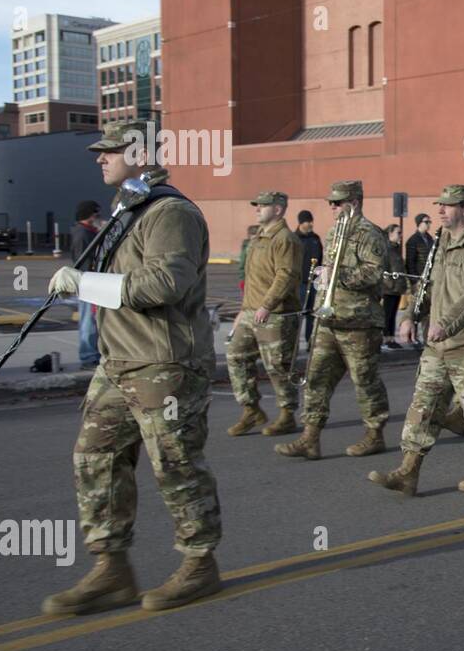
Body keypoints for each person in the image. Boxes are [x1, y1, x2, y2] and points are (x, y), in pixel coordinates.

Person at [41, 120, 222, 614]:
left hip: (163, 364)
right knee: (93, 458)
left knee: (175, 464)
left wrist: (85, 285)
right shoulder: (129, 208)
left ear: (141, 152)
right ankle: (111, 567)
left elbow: (166, 283)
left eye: (111, 150)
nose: (100, 158)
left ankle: (199, 562)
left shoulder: (170, 211)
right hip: (118, 360)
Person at [369, 185, 464, 494]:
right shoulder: (441, 242)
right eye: (439, 205)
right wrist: (410, 316)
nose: (441, 210)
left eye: (449, 205)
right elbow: (429, 284)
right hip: (437, 346)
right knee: (423, 406)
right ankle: (409, 470)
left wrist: (447, 323)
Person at [276, 180, 390, 460]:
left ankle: (375, 434)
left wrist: (338, 276)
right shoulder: (334, 232)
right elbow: (327, 271)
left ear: (354, 203)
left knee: (365, 381)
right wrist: (321, 287)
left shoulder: (369, 234)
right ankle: (310, 438)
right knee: (316, 379)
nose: (332, 207)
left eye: (338, 202)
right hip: (329, 319)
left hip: (359, 322)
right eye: (331, 202)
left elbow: (375, 274)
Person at [225, 191, 303, 437]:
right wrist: (243, 310)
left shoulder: (285, 239)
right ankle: (251, 409)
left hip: (276, 314)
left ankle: (287, 414)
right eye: (256, 205)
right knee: (236, 356)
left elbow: (286, 276)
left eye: (263, 205)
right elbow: (252, 280)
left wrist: (266, 305)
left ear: (278, 209)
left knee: (278, 366)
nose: (257, 209)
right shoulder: (258, 238)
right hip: (250, 312)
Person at [70, 200, 103, 368]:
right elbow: (83, 260)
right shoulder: (83, 234)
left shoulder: (89, 232)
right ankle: (88, 355)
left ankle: (92, 353)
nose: (98, 217)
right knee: (88, 320)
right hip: (88, 281)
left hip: (91, 280)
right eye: (96, 214)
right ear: (89, 215)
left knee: (92, 319)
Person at [404, 212, 434, 351]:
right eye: (426, 222)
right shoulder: (413, 240)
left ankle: (427, 338)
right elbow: (410, 262)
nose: (429, 224)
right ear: (419, 223)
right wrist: (414, 281)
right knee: (415, 308)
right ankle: (413, 336)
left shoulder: (430, 239)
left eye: (429, 222)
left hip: (430, 280)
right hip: (418, 280)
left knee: (427, 311)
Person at [295, 209, 322, 346]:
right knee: (298, 314)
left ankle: (310, 342)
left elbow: (321, 260)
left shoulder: (315, 239)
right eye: (308, 221)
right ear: (301, 223)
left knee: (312, 313)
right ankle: (294, 343)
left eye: (311, 221)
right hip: (299, 283)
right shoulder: (294, 239)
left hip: (314, 283)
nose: (311, 224)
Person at [382, 223, 407, 350]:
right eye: (398, 232)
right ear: (390, 233)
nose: (400, 235)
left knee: (393, 315)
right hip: (389, 289)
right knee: (387, 315)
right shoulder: (386, 249)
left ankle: (391, 338)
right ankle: (386, 339)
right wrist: (390, 283)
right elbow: (383, 269)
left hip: (396, 289)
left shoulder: (395, 249)